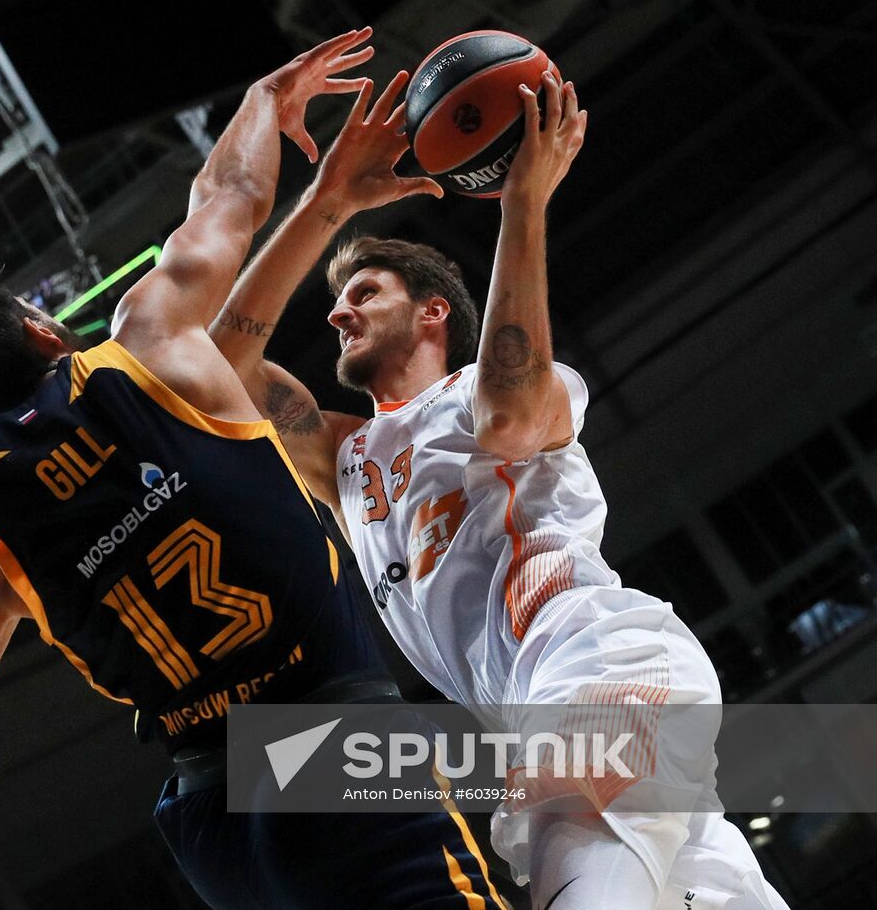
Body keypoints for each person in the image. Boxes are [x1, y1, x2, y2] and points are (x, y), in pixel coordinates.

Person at [0, 29, 510, 909]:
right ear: (42, 332)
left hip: (213, 820)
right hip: (329, 744)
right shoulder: (149, 344)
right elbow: (230, 194)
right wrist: (265, 102)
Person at [209, 68, 789, 910]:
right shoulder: (343, 457)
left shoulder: (498, 391)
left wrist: (524, 199)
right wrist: (328, 200)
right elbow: (214, 359)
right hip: (541, 711)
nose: (337, 314)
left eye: (364, 293)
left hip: (598, 663)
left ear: (434, 312)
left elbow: (510, 422)